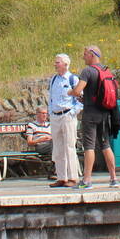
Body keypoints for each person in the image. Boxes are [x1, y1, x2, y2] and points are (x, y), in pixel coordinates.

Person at [69, 45, 118, 189]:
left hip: (90, 114)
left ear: (92, 55)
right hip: (104, 113)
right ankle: (114, 178)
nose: (83, 57)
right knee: (106, 145)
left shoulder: (87, 71)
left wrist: (71, 93)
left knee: (89, 146)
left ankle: (87, 180)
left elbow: (78, 90)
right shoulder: (106, 70)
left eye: (85, 54)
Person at [47, 53, 82, 188]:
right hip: (55, 115)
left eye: (58, 62)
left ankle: (73, 177)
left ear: (65, 64)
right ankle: (61, 177)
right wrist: (51, 112)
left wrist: (73, 112)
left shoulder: (73, 79)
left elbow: (81, 99)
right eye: (56, 62)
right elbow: (51, 97)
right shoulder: (54, 79)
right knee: (58, 147)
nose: (55, 65)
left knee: (69, 146)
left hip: (67, 115)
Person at [24, 105, 54, 179]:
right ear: (37, 114)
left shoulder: (50, 125)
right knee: (56, 145)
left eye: (46, 113)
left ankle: (55, 171)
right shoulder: (32, 125)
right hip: (40, 145)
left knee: (60, 144)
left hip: (51, 144)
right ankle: (53, 171)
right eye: (42, 113)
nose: (45, 115)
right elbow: (29, 142)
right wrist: (40, 140)